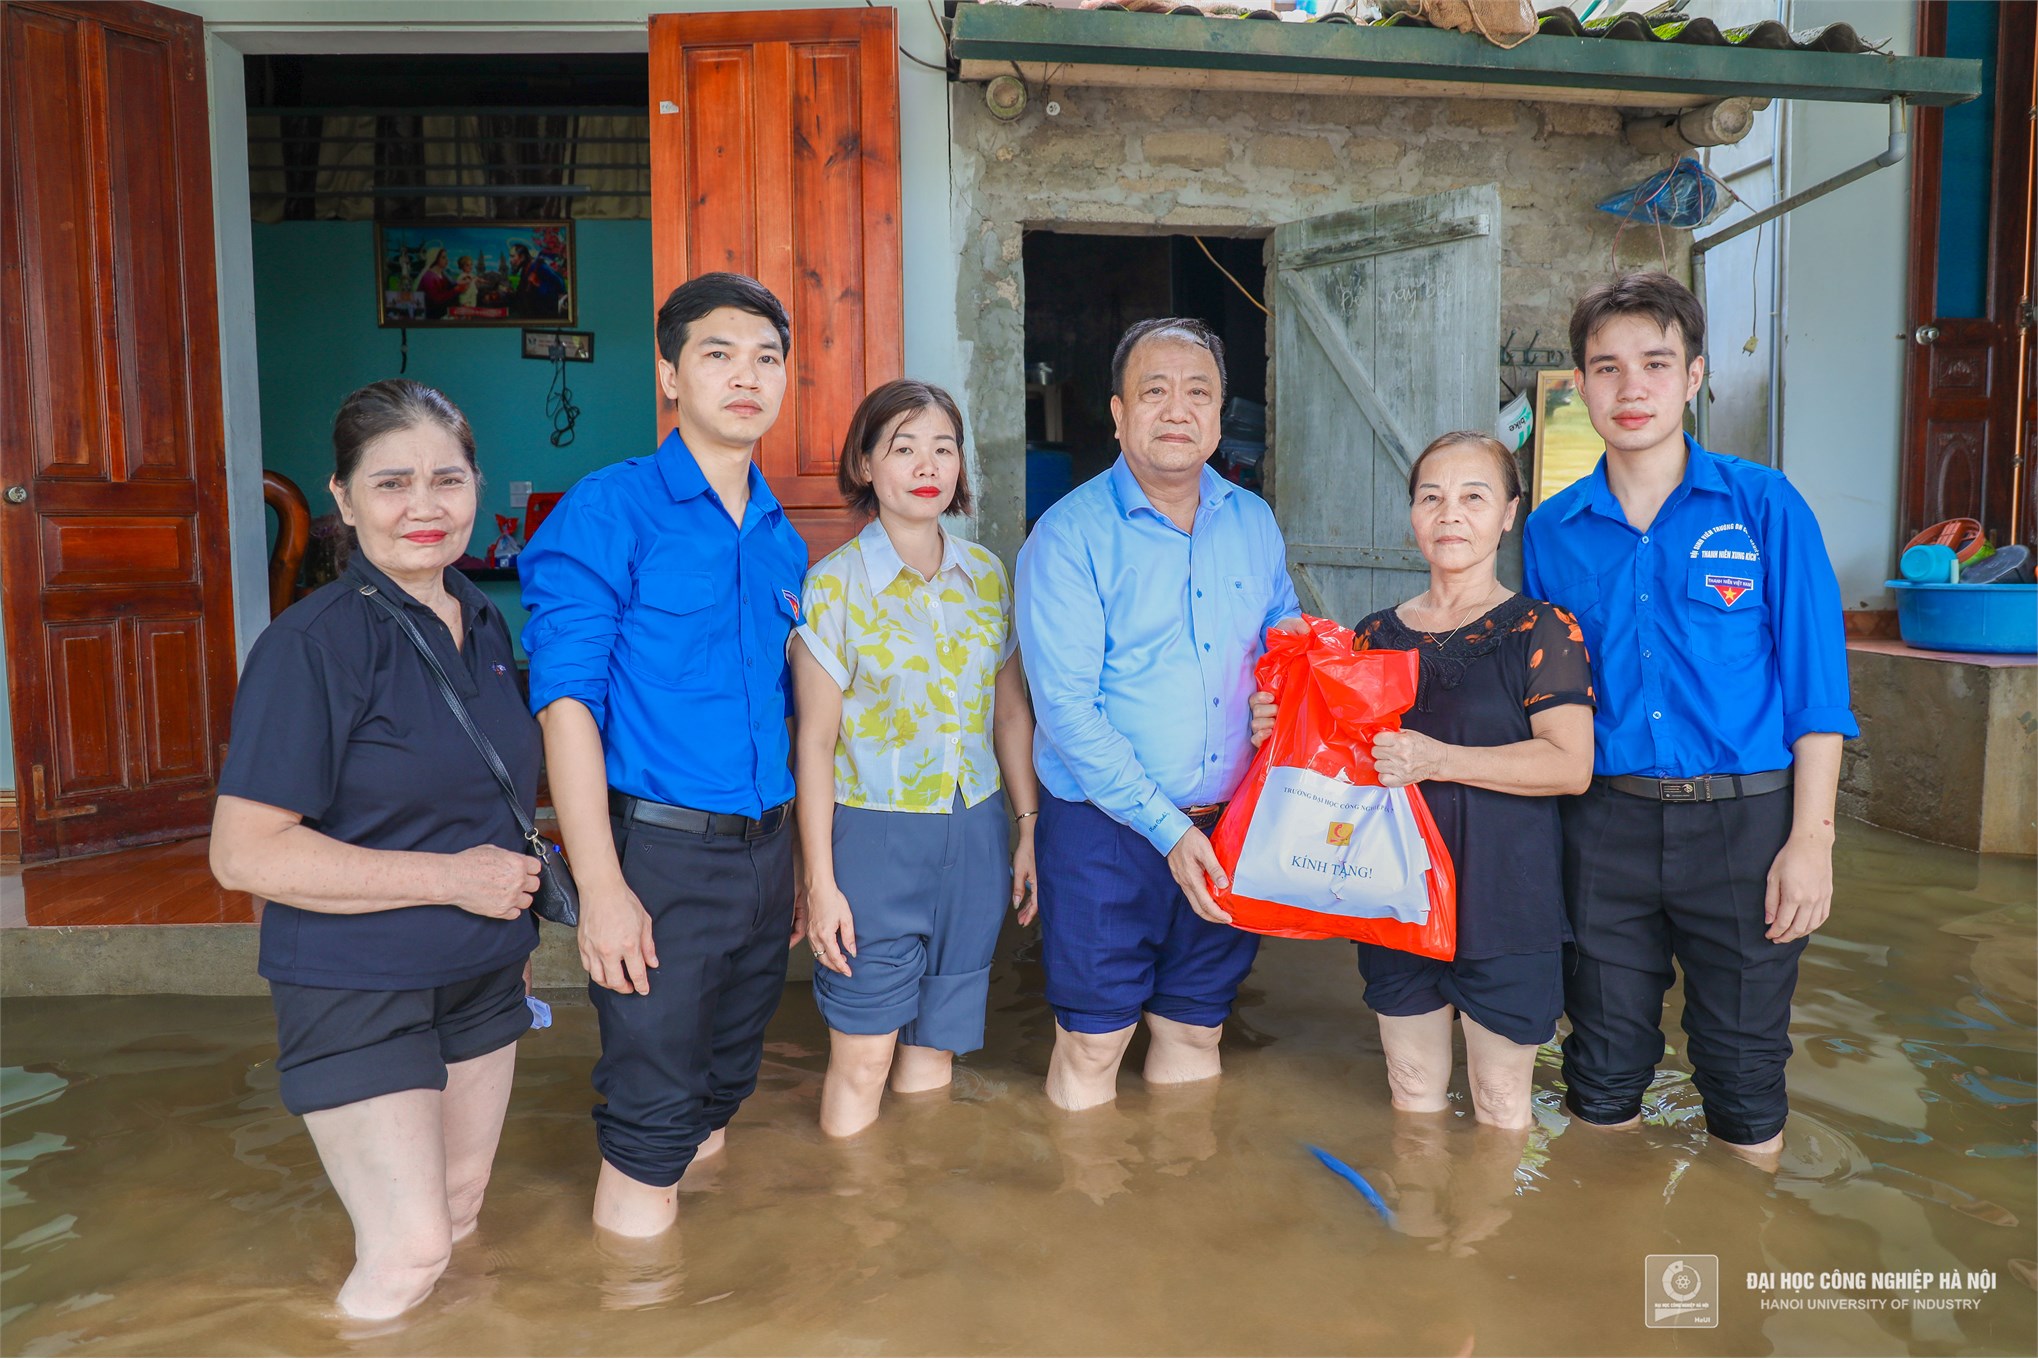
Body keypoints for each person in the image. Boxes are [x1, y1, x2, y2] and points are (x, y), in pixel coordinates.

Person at [209, 380, 540, 1319]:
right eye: (391, 484)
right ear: (344, 502)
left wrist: (505, 923)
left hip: (482, 972)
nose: (425, 506)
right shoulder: (309, 645)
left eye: (447, 478)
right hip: (358, 984)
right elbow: (244, 855)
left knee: (463, 1214)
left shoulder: (482, 621)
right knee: (407, 1250)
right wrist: (456, 880)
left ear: (476, 487)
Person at [1522, 270, 1857, 1161]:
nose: (1631, 388)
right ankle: (1613, 1274)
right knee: (1598, 1064)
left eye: (1655, 364)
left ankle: (1735, 1273)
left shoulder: (1763, 505)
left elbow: (1818, 688)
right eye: (1607, 367)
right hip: (1602, 825)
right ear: (1581, 384)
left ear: (1694, 375)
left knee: (1744, 1071)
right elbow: (1537, 698)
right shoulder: (1553, 531)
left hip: (1748, 826)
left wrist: (1812, 839)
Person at [517, 271, 808, 1237]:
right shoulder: (611, 511)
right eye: (719, 353)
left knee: (722, 1088)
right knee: (649, 1117)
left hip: (768, 857)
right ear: (669, 373)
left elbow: (787, 711)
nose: (746, 375)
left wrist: (802, 864)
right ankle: (633, 1309)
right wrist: (599, 886)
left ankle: (702, 1301)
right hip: (659, 859)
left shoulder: (780, 540)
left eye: (767, 357)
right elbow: (565, 707)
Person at [1249, 432, 1596, 1129]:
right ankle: (1421, 1230)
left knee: (1502, 1108)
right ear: (1411, 515)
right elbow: (1342, 764)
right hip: (1393, 898)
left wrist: (1440, 758)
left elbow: (1570, 764)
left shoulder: (1542, 628)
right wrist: (1280, 725)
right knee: (1412, 1097)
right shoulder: (1374, 636)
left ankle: (1484, 1239)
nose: (1450, 513)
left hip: (1505, 905)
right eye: (1431, 497)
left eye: (1475, 496)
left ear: (1508, 514)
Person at [1016, 316, 1303, 1112]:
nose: (1177, 409)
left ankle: (1175, 1212)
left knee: (1195, 1026)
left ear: (1218, 416)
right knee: (1094, 1037)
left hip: (1229, 823)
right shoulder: (1068, 535)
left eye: (1197, 392)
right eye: (1154, 390)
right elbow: (1066, 710)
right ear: (1117, 413)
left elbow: (1287, 640)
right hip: (1106, 829)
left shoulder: (1253, 522)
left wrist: (1281, 702)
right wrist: (1169, 830)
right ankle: (1090, 1220)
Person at [793, 379, 1041, 1138]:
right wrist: (820, 880)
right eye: (903, 447)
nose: (927, 464)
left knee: (935, 1055)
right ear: (866, 465)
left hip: (972, 835)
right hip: (872, 841)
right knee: (863, 1058)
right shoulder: (832, 585)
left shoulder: (988, 577)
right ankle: (856, 1227)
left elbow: (1009, 713)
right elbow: (815, 742)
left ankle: (915, 1215)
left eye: (943, 447)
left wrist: (1026, 828)